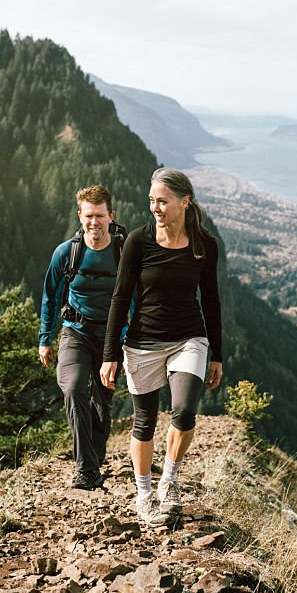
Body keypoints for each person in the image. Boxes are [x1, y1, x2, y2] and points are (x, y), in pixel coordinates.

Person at [99, 167, 223, 525]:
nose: (155, 207)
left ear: (184, 202)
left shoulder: (204, 245)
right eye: (151, 200)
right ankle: (143, 493)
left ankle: (170, 478)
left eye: (162, 201)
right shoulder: (138, 241)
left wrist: (216, 353)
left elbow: (211, 300)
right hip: (142, 343)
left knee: (183, 411)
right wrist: (110, 354)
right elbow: (120, 298)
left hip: (189, 338)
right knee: (145, 422)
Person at [39, 185, 125, 490]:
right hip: (75, 332)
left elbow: (137, 299)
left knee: (102, 403)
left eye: (100, 216)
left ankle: (95, 457)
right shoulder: (67, 252)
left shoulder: (123, 252)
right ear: (80, 215)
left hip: (111, 338)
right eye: (89, 216)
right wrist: (44, 338)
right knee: (73, 388)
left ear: (111, 217)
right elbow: (51, 295)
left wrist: (122, 341)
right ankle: (87, 470)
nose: (94, 223)